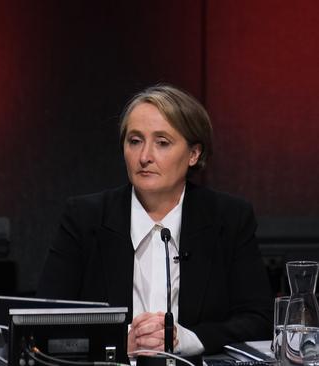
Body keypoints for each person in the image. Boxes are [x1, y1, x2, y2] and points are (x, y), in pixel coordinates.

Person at [36, 84, 272, 356]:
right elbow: (44, 320)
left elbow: (260, 320)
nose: (145, 157)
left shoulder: (228, 218)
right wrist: (117, 342)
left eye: (162, 142)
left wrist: (187, 339)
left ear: (193, 154)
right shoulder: (85, 217)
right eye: (135, 141)